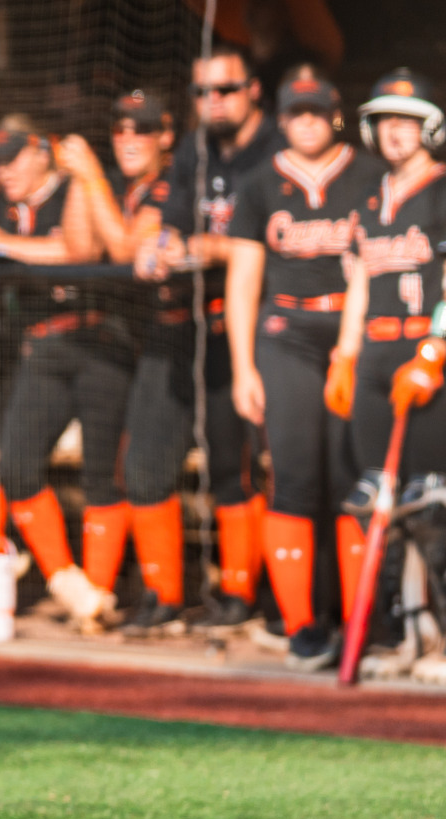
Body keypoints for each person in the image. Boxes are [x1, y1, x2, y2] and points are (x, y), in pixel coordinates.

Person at [226, 67, 384, 669]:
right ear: (283, 117)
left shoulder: (368, 175)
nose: (307, 121)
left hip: (352, 333)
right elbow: (244, 279)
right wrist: (243, 365)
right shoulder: (259, 182)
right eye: (297, 112)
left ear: (334, 113)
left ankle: (358, 619)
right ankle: (301, 626)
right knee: (294, 476)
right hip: (285, 335)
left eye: (317, 111)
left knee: (351, 480)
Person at [142, 42, 284, 631]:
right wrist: (161, 247)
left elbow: (286, 238)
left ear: (253, 90)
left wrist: (221, 247)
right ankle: (166, 596)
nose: (213, 102)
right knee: (159, 464)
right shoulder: (195, 152)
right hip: (193, 327)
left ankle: (251, 594)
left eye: (225, 90)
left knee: (246, 466)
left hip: (266, 331)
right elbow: (174, 221)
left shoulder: (278, 149)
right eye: (202, 92)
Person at [0, 118, 118, 627]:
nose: (4, 170)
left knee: (103, 473)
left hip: (99, 341)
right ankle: (67, 582)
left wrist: (4, 244)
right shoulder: (3, 206)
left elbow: (78, 251)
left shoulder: (76, 187)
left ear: (39, 153)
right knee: (16, 464)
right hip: (42, 349)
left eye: (13, 158)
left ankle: (101, 597)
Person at [58, 92, 192, 634]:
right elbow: (78, 251)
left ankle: (172, 599)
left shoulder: (171, 183)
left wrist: (88, 174)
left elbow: (126, 251)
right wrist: (80, 178)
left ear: (165, 135)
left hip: (185, 339)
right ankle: (142, 596)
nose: (129, 140)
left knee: (151, 471)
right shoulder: (114, 184)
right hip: (135, 346)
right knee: (121, 471)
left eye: (141, 130)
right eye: (119, 130)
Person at [327, 68, 446, 675]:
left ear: (430, 126)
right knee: (383, 502)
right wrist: (344, 355)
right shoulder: (370, 199)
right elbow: (359, 283)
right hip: (374, 355)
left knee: (432, 504)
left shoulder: (442, 190)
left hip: (424, 355)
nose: (396, 134)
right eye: (386, 122)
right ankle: (410, 637)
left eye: (407, 121)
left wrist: (435, 350)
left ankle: (444, 640)